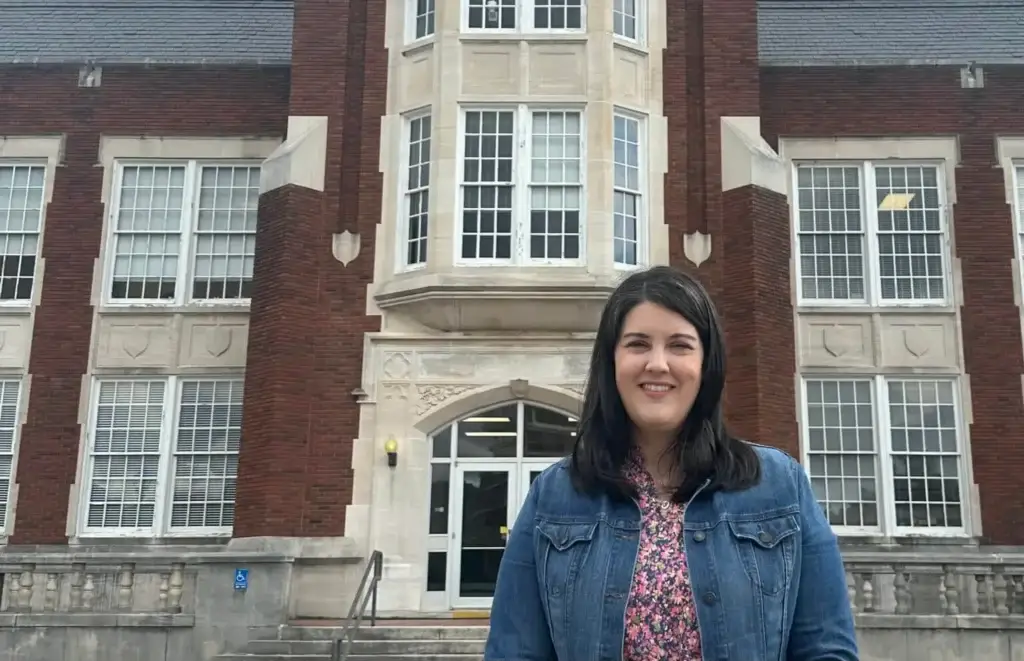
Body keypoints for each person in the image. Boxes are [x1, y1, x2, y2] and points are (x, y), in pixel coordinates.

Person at [484, 265, 858, 661]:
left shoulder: (779, 486)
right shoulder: (554, 496)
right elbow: (514, 651)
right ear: (611, 362)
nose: (658, 364)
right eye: (638, 344)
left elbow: (825, 650)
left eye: (680, 345)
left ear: (706, 364)